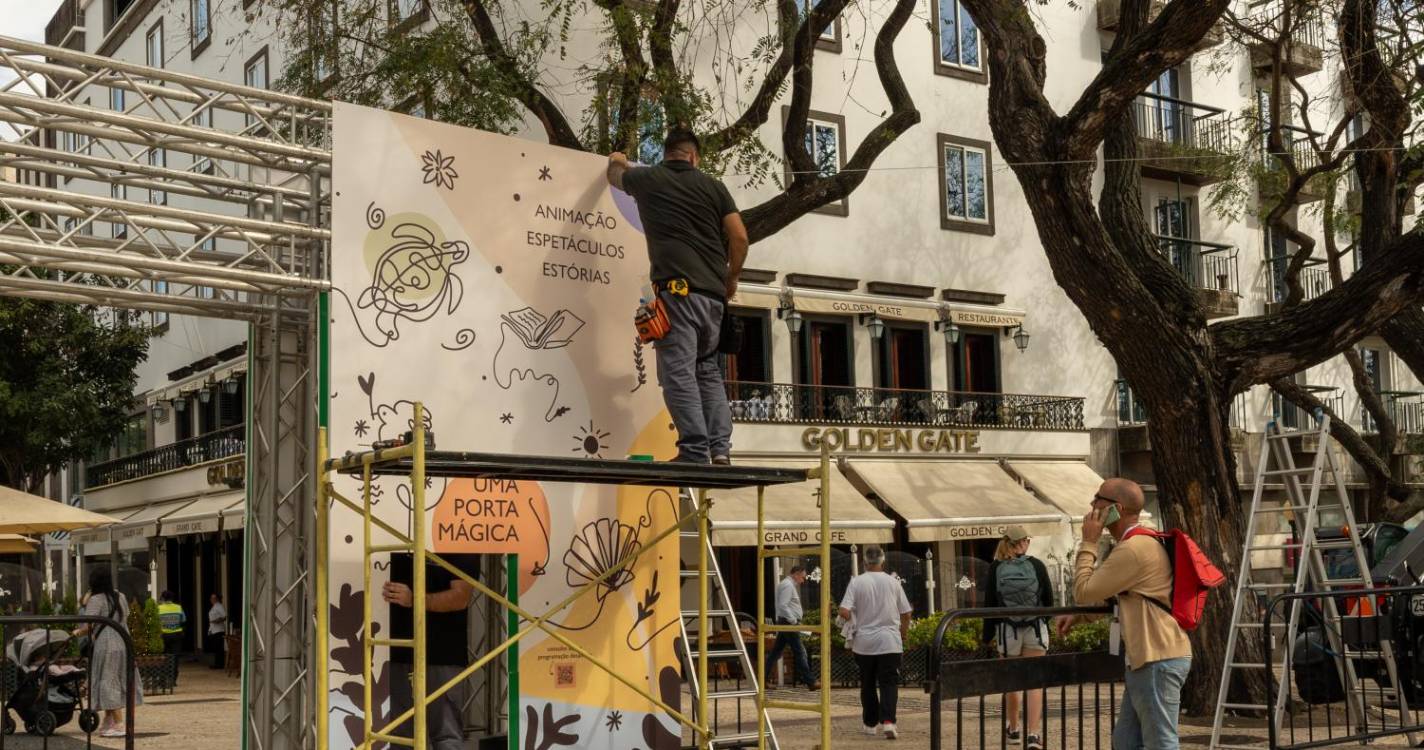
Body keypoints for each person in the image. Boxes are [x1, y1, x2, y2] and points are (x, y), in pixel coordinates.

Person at [606, 129, 750, 465]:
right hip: (714, 298)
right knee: (707, 371)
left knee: (678, 372)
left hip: (678, 294)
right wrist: (732, 278)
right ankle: (719, 451)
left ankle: (694, 450)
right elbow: (739, 237)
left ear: (666, 153)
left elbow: (615, 176)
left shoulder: (649, 179)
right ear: (694, 156)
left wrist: (618, 159)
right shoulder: (715, 188)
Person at [1056, 479, 1192, 750]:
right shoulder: (1139, 542)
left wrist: (1089, 543)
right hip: (1150, 659)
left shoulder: (1133, 548)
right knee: (1126, 742)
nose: (1092, 505)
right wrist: (1080, 617)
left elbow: (1084, 591)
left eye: (1098, 499)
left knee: (1161, 743)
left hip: (1157, 658)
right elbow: (1119, 595)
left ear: (1116, 508)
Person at [384, 552, 482, 749]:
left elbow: (460, 597)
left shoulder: (458, 539)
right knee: (400, 735)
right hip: (397, 650)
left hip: (442, 653)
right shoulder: (391, 536)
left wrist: (414, 599)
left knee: (446, 734)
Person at [982, 526, 1054, 750]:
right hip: (1035, 629)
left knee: (1011, 682)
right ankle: (1033, 735)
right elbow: (1049, 601)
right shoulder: (1037, 566)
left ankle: (1013, 730)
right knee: (1034, 684)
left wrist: (987, 636)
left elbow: (990, 604)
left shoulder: (995, 568)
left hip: (1007, 631)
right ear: (1022, 543)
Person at [839, 545, 911, 740]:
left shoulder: (857, 582)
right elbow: (906, 613)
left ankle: (870, 723)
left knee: (868, 683)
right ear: (883, 561)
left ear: (864, 562)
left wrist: (852, 618)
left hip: (864, 642)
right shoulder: (893, 582)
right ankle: (889, 721)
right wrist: (903, 633)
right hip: (890, 641)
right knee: (889, 682)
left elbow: (843, 610)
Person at [74, 568, 142, 738]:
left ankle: (119, 724)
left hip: (106, 644)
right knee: (115, 679)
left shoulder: (96, 599)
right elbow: (124, 615)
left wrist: (77, 633)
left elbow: (87, 624)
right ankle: (108, 721)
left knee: (108, 681)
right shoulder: (120, 596)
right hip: (123, 641)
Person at [764, 566, 819, 690]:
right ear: (796, 574)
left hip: (786, 622)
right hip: (788, 623)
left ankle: (762, 678)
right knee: (800, 651)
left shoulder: (786, 584)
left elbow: (784, 605)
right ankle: (811, 681)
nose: (803, 580)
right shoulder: (788, 585)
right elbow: (783, 605)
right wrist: (793, 620)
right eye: (802, 577)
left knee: (776, 653)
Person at [158, 590, 186, 656]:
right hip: (176, 634)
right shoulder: (178, 607)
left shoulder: (159, 608)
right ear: (172, 598)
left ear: (163, 598)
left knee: (165, 655)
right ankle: (174, 666)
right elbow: (184, 620)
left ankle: (166, 666)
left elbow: (156, 622)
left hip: (164, 635)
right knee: (175, 655)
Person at [207, 593, 228, 670]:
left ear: (217, 599)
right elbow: (211, 620)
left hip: (219, 630)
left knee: (219, 648)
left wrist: (217, 621)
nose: (211, 599)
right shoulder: (214, 607)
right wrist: (210, 630)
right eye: (211, 598)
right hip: (214, 630)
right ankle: (217, 664)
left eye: (213, 598)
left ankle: (220, 665)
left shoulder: (219, 606)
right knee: (216, 648)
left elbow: (224, 616)